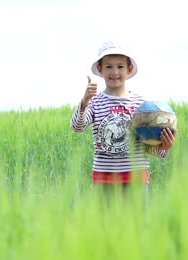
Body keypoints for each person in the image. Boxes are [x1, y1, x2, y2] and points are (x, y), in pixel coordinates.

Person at [70, 41, 176, 189]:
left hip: (136, 177)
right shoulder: (95, 102)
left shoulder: (142, 105)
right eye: (109, 66)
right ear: (100, 69)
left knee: (137, 213)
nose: (114, 72)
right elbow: (77, 126)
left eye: (120, 66)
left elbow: (148, 146)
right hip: (103, 178)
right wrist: (84, 100)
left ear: (129, 69)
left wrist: (164, 147)